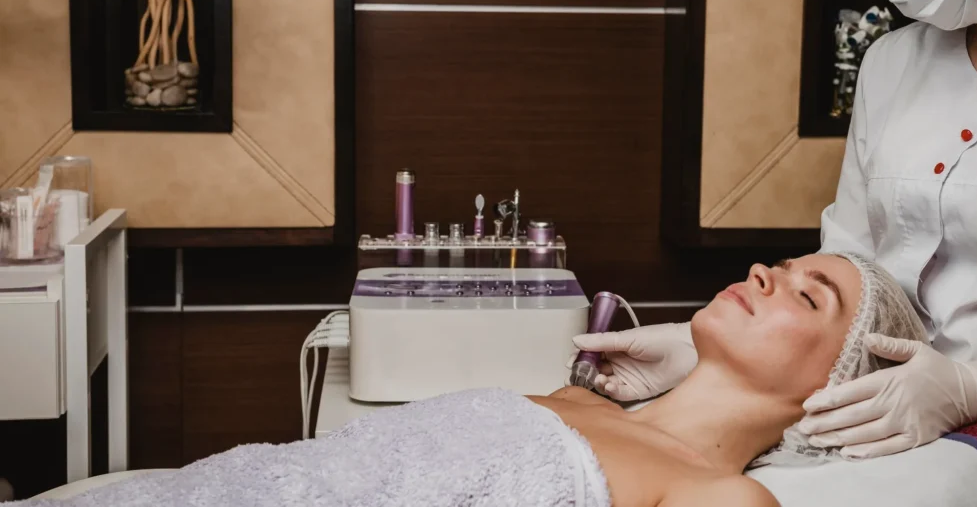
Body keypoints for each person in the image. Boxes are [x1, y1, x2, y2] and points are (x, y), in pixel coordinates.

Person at [572, 0, 977, 461]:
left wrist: (974, 389)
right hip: (855, 416)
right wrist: (711, 352)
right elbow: (849, 266)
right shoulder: (893, 63)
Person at [17, 253, 925, 507]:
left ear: (838, 385)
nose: (768, 272)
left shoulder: (720, 495)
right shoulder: (579, 394)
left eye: (810, 293)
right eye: (783, 262)